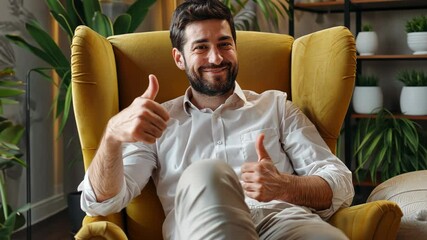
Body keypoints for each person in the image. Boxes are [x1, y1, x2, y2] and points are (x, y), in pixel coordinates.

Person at [78, 0, 354, 239]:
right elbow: (100, 202)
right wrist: (113, 134)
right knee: (207, 174)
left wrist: (285, 186)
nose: (216, 57)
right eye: (200, 47)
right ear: (179, 58)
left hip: (280, 223)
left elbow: (340, 183)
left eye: (225, 44)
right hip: (201, 229)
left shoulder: (277, 106)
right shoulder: (156, 120)